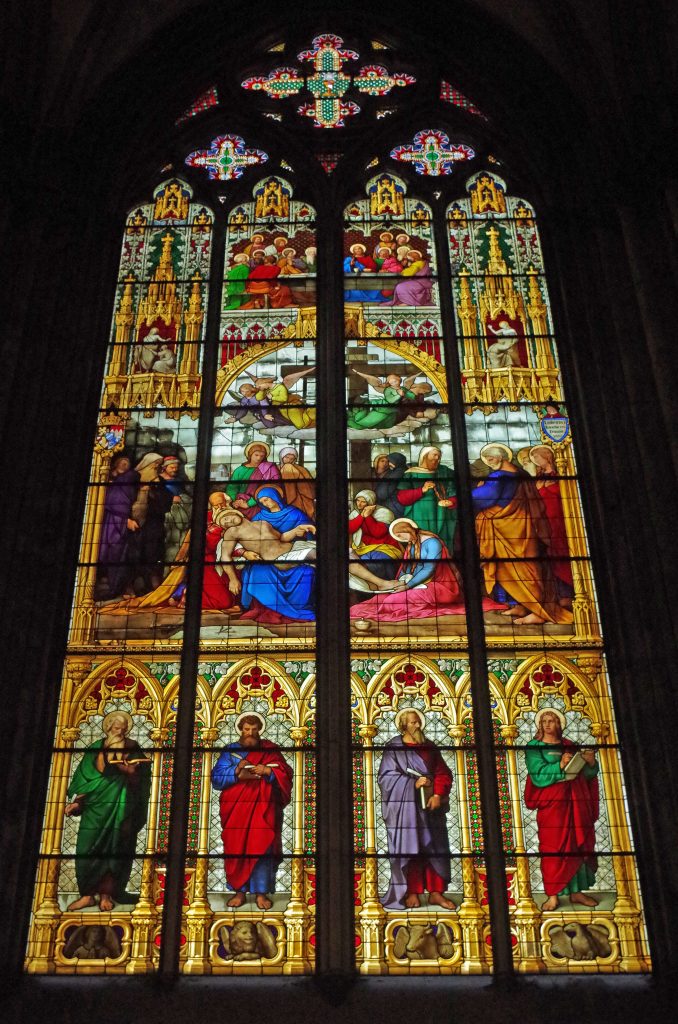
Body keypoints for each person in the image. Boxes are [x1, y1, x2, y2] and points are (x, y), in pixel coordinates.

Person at [470, 443, 571, 625]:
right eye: (486, 460)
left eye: (491, 459)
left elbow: (485, 497)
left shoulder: (499, 476)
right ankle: (520, 605)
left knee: (525, 568)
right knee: (511, 567)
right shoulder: (520, 474)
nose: (489, 463)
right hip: (518, 525)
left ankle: (539, 611)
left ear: (501, 457)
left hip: (511, 527)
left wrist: (470, 491)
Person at [64, 711, 151, 912]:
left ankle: (106, 895)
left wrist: (131, 772)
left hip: (122, 805)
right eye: (115, 728)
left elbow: (143, 776)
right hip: (95, 806)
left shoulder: (132, 747)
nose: (119, 732)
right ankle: (87, 895)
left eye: (123, 729)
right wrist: (78, 801)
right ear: (108, 727)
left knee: (116, 847)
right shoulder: (95, 748)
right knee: (87, 847)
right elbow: (87, 778)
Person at [211, 713, 293, 910]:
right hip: (235, 810)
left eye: (254, 730)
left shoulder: (270, 750)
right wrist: (236, 771)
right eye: (247, 729)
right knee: (236, 849)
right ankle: (239, 892)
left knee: (262, 846)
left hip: (263, 808)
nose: (251, 733)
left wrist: (268, 772)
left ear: (259, 731)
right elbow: (217, 777)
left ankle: (261, 893)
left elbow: (286, 772)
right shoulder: (230, 751)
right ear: (241, 729)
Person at [378, 708, 455, 910]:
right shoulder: (393, 748)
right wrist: (412, 783)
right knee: (411, 848)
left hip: (431, 809)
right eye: (413, 722)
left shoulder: (429, 747)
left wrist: (437, 794)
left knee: (436, 849)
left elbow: (443, 773)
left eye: (418, 721)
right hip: (406, 812)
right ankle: (411, 891)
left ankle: (436, 893)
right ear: (403, 725)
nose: (418, 725)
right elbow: (386, 778)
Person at [524, 707, 600, 911]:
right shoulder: (534, 747)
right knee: (553, 849)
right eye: (544, 721)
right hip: (552, 806)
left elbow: (587, 775)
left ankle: (576, 892)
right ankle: (553, 895)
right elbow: (537, 774)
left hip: (575, 803)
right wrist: (559, 766)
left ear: (559, 724)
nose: (548, 724)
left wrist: (591, 764)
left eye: (552, 720)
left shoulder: (570, 745)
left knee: (576, 845)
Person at [213, 504, 316, 623]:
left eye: (226, 518)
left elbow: (281, 537)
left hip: (293, 550)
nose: (228, 522)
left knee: (319, 555)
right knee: (313, 555)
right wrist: (233, 579)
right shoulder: (232, 532)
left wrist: (297, 530)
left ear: (233, 512)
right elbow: (225, 556)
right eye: (224, 524)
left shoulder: (262, 523)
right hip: (280, 559)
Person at [349, 518, 464, 620]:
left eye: (399, 536)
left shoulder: (433, 542)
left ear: (406, 530)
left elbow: (429, 569)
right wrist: (399, 583)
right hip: (415, 583)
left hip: (439, 585)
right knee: (379, 599)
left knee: (392, 601)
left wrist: (408, 585)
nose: (400, 539)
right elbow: (406, 568)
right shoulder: (412, 545)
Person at [529, 445, 573, 603]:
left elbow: (568, 495)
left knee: (561, 553)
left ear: (546, 456)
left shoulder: (560, 474)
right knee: (549, 555)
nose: (536, 461)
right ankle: (556, 594)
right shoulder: (538, 478)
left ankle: (568, 593)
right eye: (534, 459)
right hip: (543, 521)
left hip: (560, 519)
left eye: (537, 458)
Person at [397, 446, 457, 550]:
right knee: (421, 542)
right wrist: (422, 490)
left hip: (440, 514)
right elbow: (402, 497)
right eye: (434, 455)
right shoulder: (411, 473)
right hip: (418, 514)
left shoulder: (444, 472)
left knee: (441, 541)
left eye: (439, 456)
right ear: (425, 456)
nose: (437, 458)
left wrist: (451, 501)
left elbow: (454, 490)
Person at [97, 454, 140, 598]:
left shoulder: (127, 483)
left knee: (119, 553)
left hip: (117, 523)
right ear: (116, 463)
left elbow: (121, 504)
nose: (124, 465)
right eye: (122, 462)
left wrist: (124, 520)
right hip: (106, 522)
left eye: (127, 463)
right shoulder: (110, 481)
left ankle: (116, 587)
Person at [348, 489, 401, 581]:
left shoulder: (383, 513)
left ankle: (393, 585)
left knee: (382, 563)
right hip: (364, 548)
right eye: (357, 500)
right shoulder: (355, 513)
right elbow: (350, 528)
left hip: (384, 546)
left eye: (363, 502)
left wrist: (368, 517)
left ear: (370, 502)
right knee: (363, 566)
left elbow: (377, 533)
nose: (359, 504)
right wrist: (361, 517)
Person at [225, 442, 282, 509]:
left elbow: (273, 487)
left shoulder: (269, 468)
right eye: (256, 455)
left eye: (262, 456)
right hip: (239, 503)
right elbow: (232, 488)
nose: (259, 458)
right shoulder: (239, 470)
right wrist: (234, 501)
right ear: (250, 454)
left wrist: (249, 503)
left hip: (262, 504)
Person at [278, 446, 315, 520]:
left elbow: (310, 486)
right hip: (281, 495)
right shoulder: (275, 468)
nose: (289, 460)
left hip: (300, 497)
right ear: (281, 457)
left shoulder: (301, 469)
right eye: (287, 457)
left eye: (292, 459)